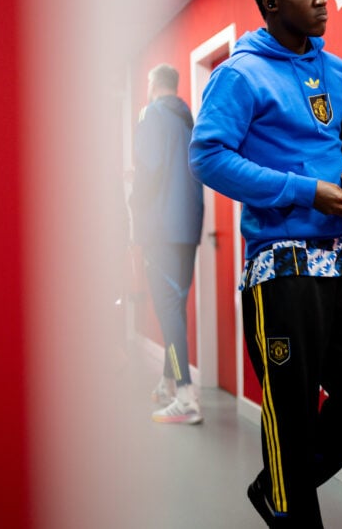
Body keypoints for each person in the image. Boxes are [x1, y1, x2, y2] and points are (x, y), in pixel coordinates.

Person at [189, 0, 342, 526]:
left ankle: (278, 488)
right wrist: (305, 191)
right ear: (272, 3)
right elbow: (207, 158)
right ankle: (290, 506)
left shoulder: (336, 71)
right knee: (291, 410)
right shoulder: (238, 74)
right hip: (280, 264)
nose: (321, 1)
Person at [129, 63, 205, 424]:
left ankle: (185, 395)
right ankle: (167, 381)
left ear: (152, 84)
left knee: (168, 312)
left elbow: (147, 171)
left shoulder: (151, 116)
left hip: (160, 228)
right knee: (175, 308)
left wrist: (134, 210)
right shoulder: (188, 121)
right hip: (187, 229)